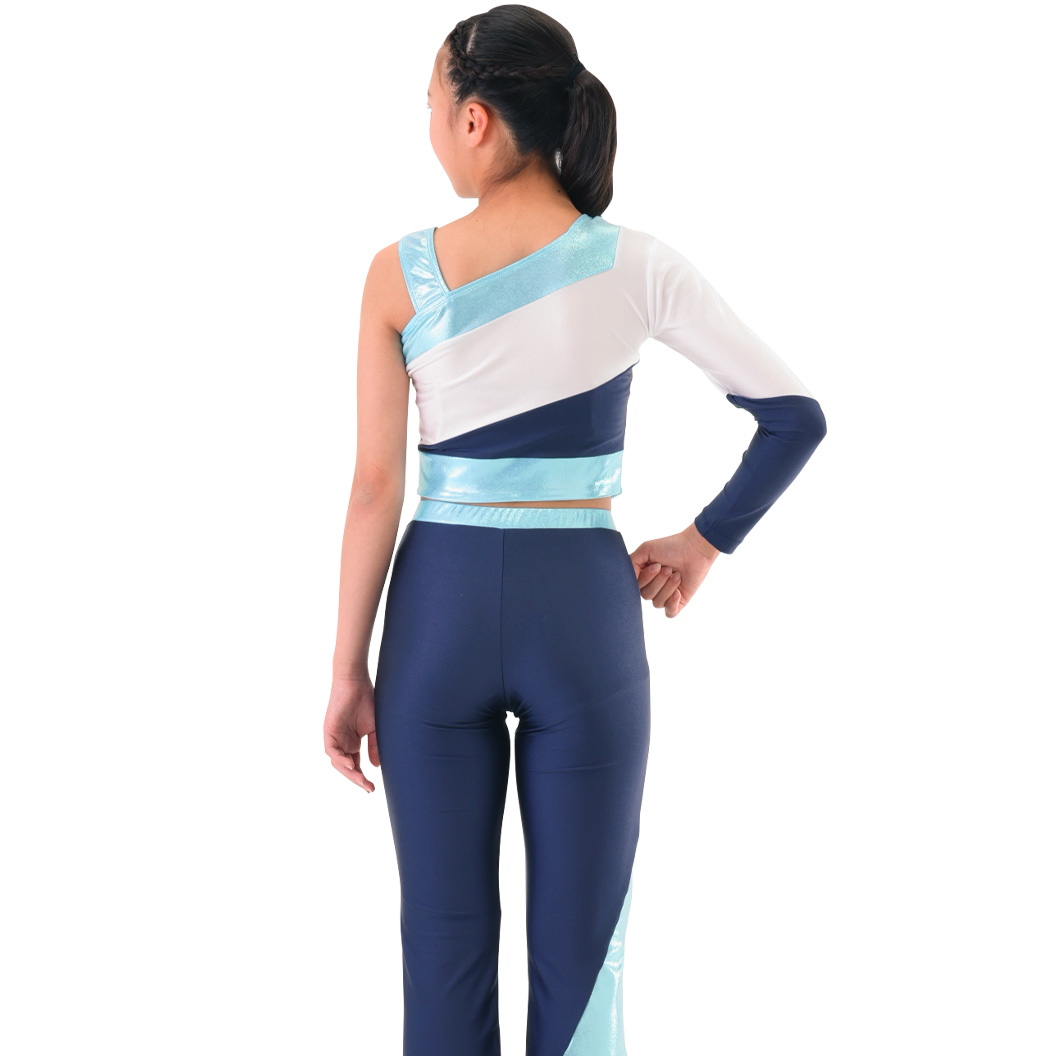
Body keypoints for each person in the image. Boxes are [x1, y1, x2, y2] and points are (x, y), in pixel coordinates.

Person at [323, 6, 827, 1054]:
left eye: (429, 103)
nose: (428, 124)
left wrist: (347, 670)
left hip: (436, 617)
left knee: (442, 948)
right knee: (585, 960)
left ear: (474, 120)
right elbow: (793, 417)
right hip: (584, 615)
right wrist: (703, 541)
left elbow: (375, 488)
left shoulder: (397, 273)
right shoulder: (636, 264)